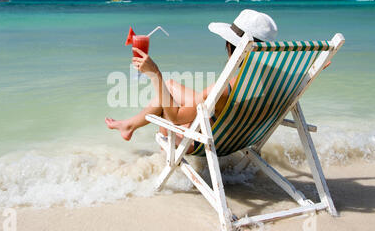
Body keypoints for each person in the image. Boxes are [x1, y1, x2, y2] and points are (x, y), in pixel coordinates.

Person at [105, 9, 278, 153]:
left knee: (166, 110)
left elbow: (174, 118)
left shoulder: (225, 89)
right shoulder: (277, 82)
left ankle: (132, 130)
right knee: (171, 86)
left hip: (212, 144)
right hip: (238, 137)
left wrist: (154, 74)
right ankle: (129, 125)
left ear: (231, 47)